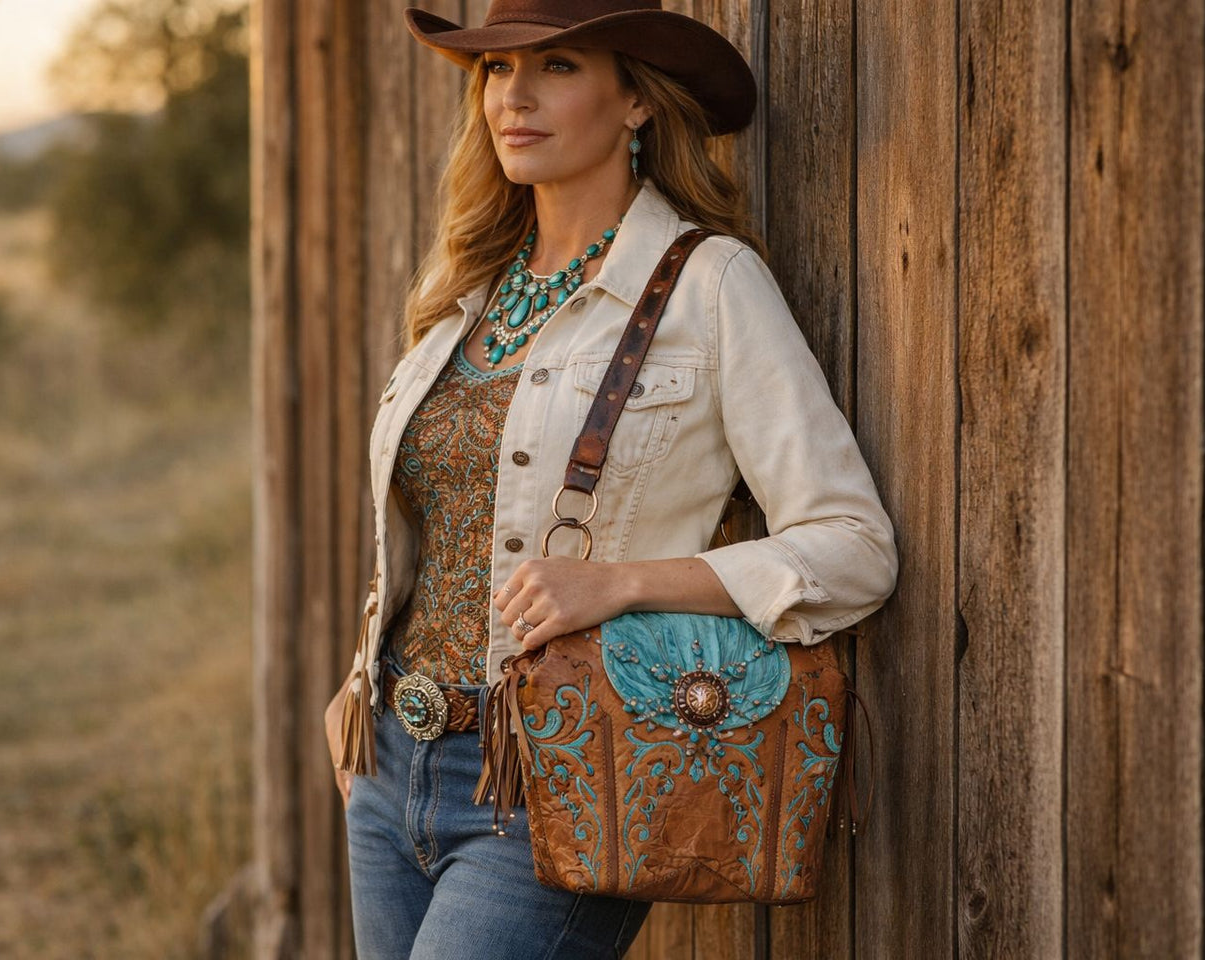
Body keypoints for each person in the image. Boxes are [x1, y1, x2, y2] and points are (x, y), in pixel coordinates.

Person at [323, 2, 899, 957]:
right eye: (498, 73)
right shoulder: (470, 289)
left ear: (634, 99)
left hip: (555, 777)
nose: (515, 97)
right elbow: (439, 523)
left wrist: (624, 582)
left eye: (556, 67)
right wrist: (360, 683)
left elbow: (852, 547)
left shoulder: (710, 285)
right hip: (390, 765)